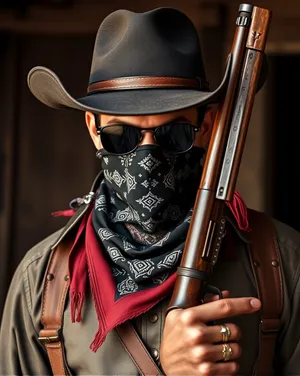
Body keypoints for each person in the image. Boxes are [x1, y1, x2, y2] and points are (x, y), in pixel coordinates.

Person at [1, 6, 300, 376]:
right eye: (120, 136)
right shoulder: (40, 280)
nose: (147, 158)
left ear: (206, 127)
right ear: (93, 128)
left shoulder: (281, 261)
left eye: (172, 134)